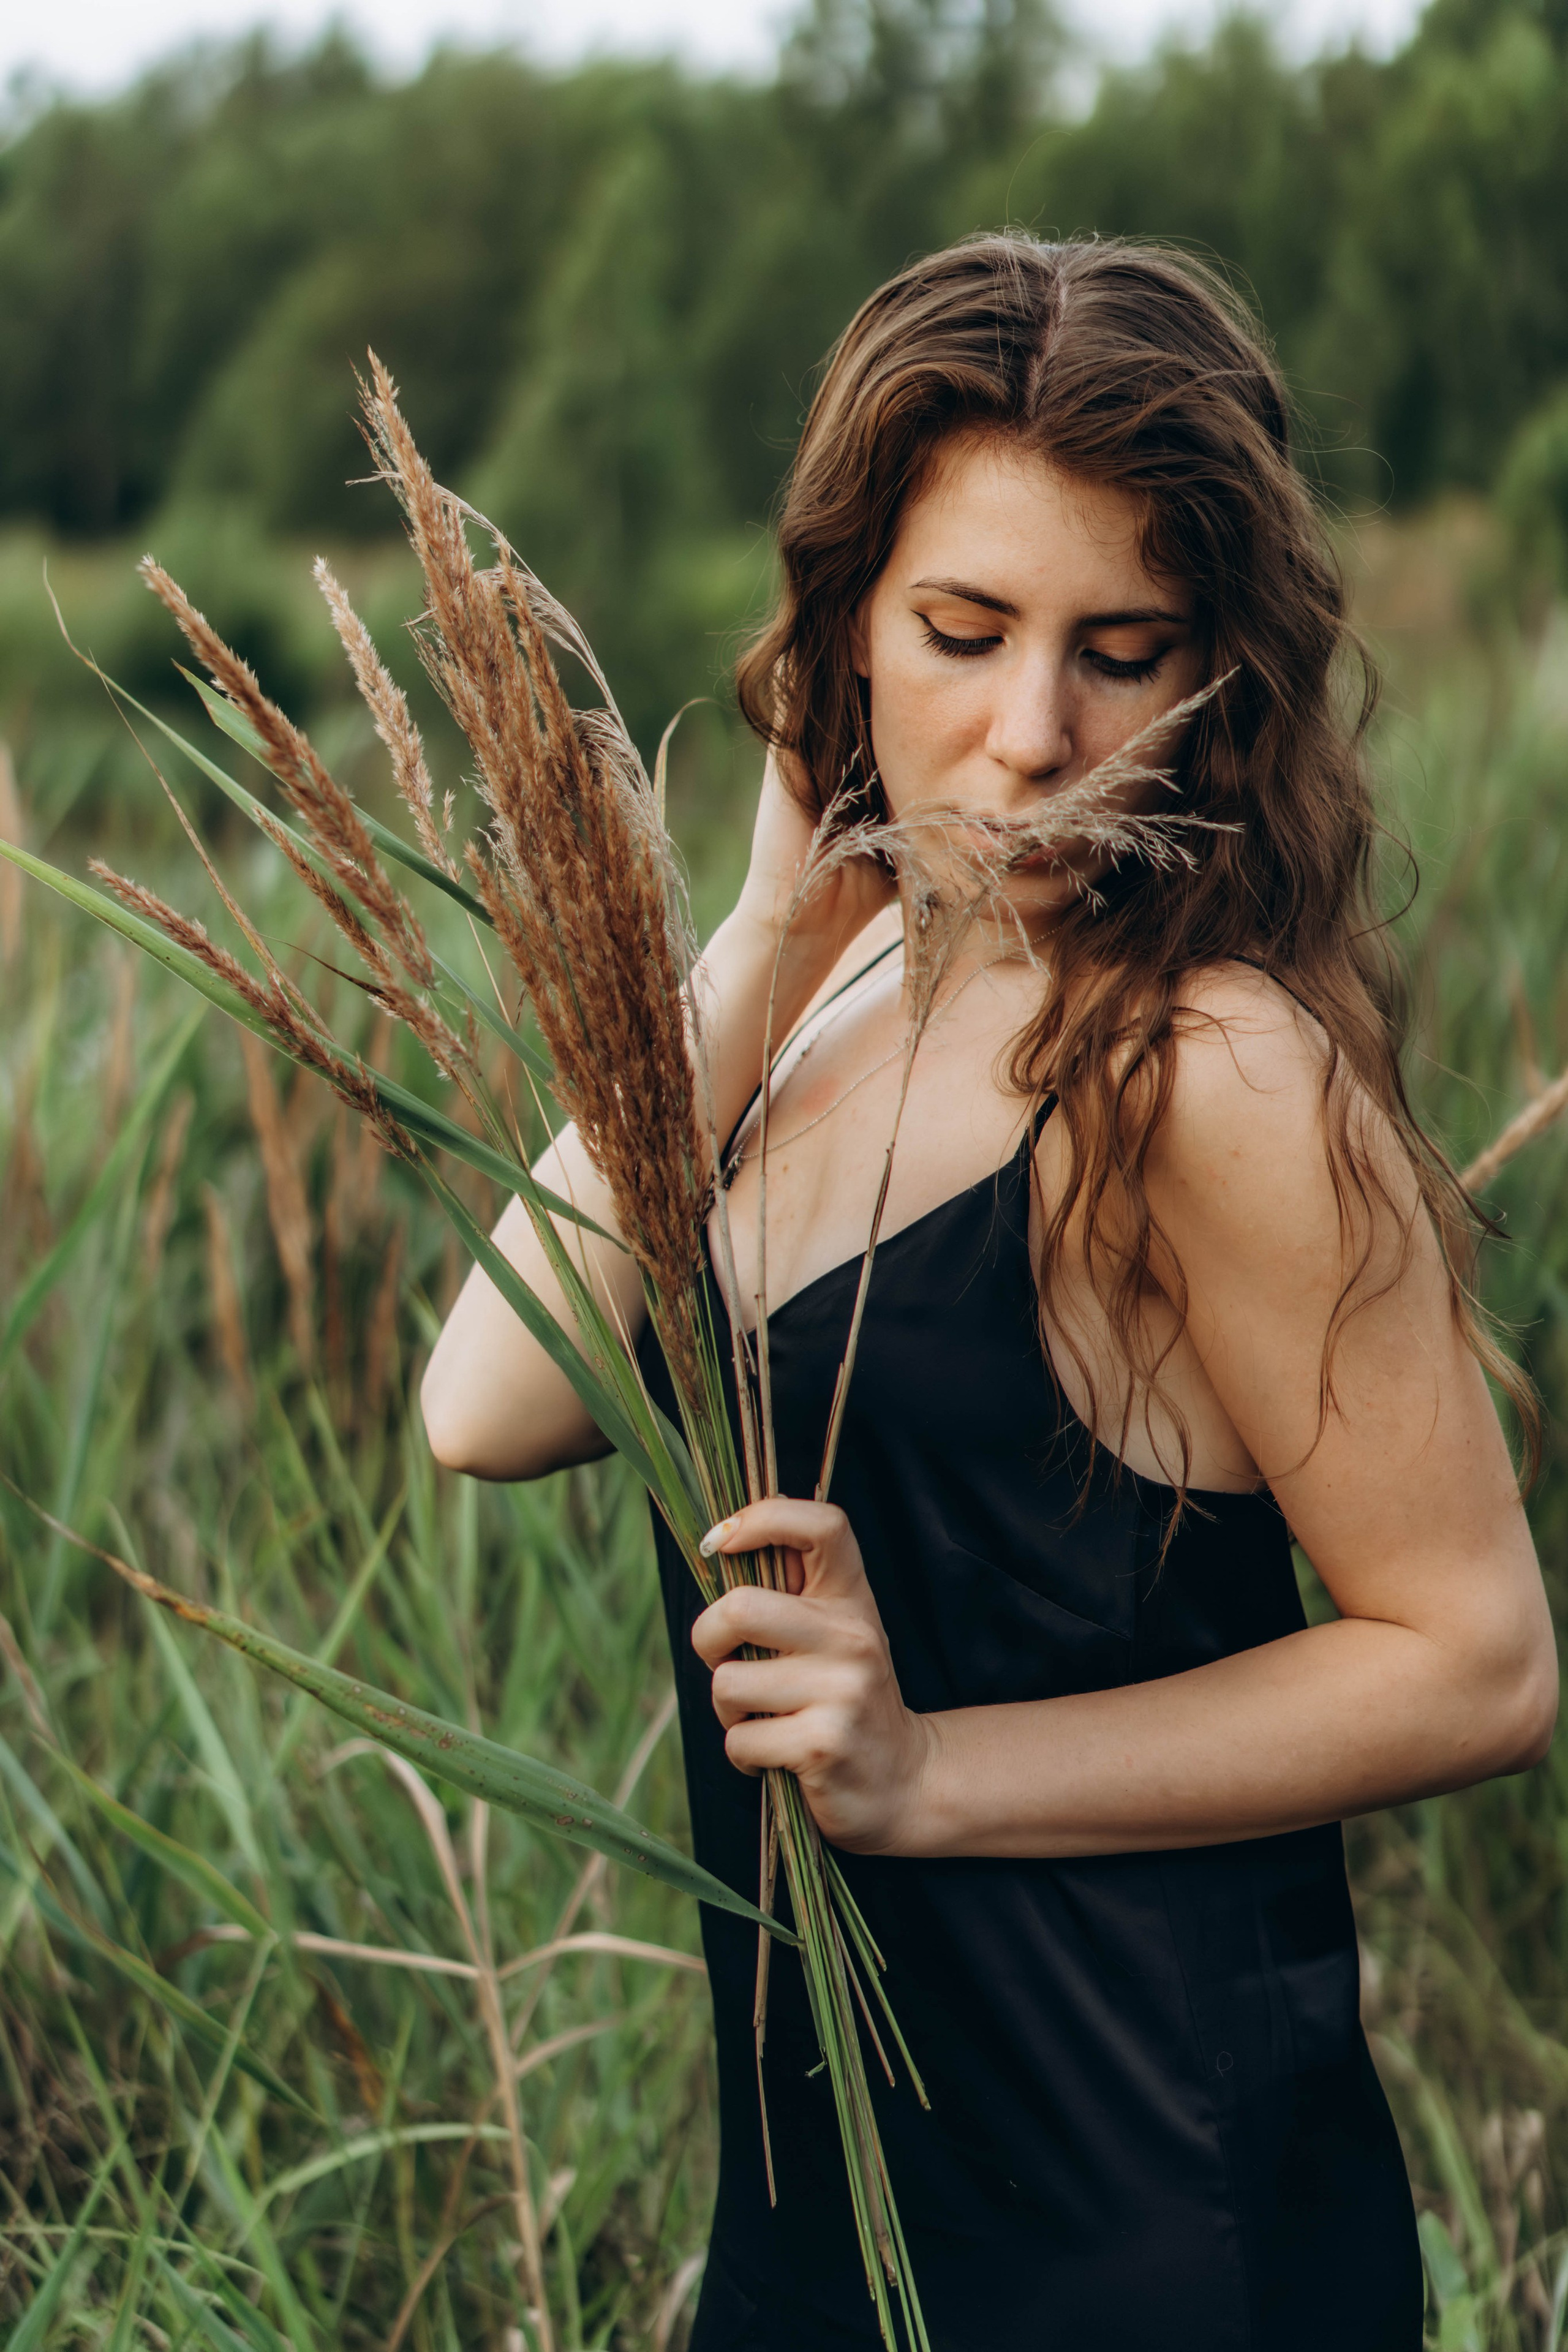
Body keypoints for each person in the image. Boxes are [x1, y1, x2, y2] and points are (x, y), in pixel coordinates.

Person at [420, 235, 1557, 2351]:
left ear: (1217, 669)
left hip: (1147, 2223)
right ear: (846, 620)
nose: (1032, 734)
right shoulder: (836, 984)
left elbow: (1476, 1663)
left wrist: (930, 1772)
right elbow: (487, 1403)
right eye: (962, 631)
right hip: (825, 2214)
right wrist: (767, 924)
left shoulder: (1202, 1066)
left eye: (1121, 650)